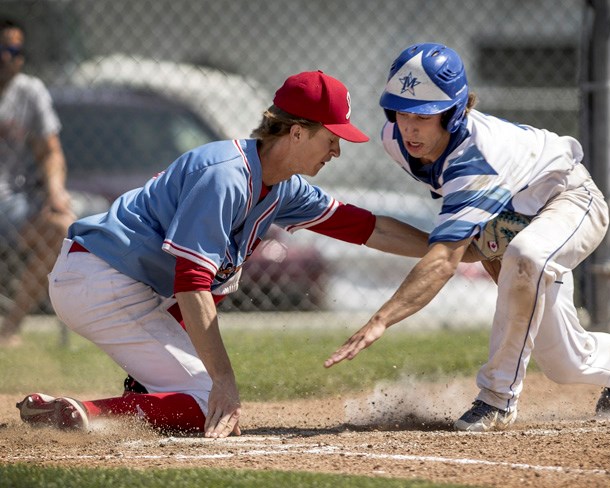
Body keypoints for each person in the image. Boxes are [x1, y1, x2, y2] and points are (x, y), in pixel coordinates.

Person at [15, 70, 433, 437]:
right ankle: (86, 414)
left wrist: (449, 248)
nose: (337, 151)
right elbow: (191, 283)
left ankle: (139, 395)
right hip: (102, 279)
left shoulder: (283, 185)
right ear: (298, 132)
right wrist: (224, 381)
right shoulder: (226, 176)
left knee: (211, 327)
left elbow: (369, 227)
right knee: (208, 399)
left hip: (121, 281)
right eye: (331, 138)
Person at [324, 43, 610, 432]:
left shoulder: (479, 158)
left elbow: (445, 259)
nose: (408, 126)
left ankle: (496, 400)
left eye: (423, 115)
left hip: (569, 200)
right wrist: (494, 255)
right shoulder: (397, 143)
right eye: (401, 111)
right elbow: (475, 226)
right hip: (514, 216)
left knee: (526, 253)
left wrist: (381, 320)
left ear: (454, 113)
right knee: (563, 361)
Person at [0, 18, 74, 347]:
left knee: (62, 226)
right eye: (1, 49)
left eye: (14, 50)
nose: (6, 57)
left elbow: (50, 152)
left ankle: (9, 327)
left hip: (11, 202)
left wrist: (56, 192)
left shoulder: (29, 92)